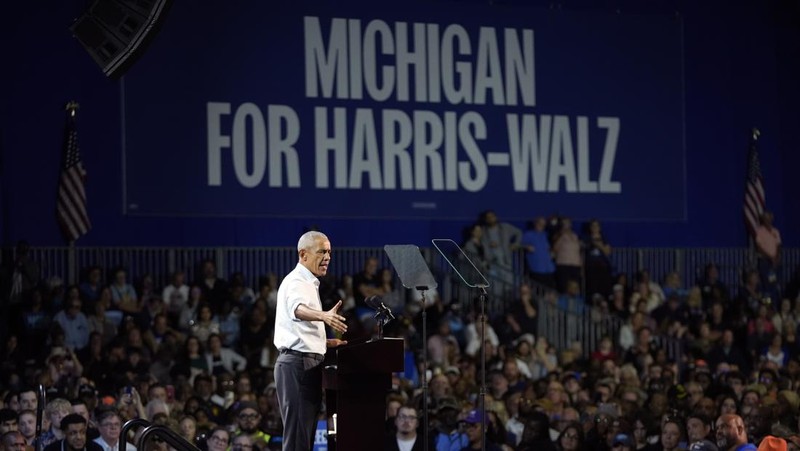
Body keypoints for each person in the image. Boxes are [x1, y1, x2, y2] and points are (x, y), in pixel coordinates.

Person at [273, 231, 347, 451]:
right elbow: (297, 309)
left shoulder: (309, 283)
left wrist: (324, 343)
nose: (327, 257)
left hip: (308, 364)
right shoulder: (296, 281)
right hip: (298, 366)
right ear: (303, 254)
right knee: (297, 439)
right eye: (322, 252)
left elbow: (298, 330)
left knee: (304, 439)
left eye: (330, 252)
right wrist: (324, 315)